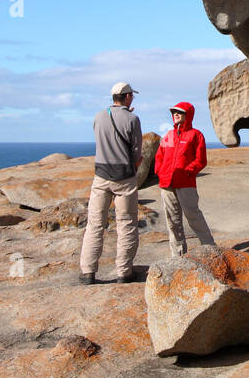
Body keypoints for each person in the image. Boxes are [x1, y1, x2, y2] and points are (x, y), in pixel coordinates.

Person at [78, 81, 143, 284]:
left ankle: (88, 271)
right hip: (124, 177)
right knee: (127, 224)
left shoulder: (99, 116)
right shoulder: (133, 119)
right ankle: (124, 272)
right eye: (131, 94)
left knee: (95, 225)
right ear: (127, 97)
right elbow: (137, 154)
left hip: (101, 176)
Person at [155, 102, 216, 257]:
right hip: (167, 185)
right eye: (174, 112)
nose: (175, 114)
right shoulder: (168, 135)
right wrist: (160, 172)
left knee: (193, 216)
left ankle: (210, 249)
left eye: (179, 112)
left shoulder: (196, 135)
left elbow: (201, 160)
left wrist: (188, 171)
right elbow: (159, 157)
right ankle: (178, 255)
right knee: (172, 221)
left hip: (186, 184)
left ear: (188, 115)